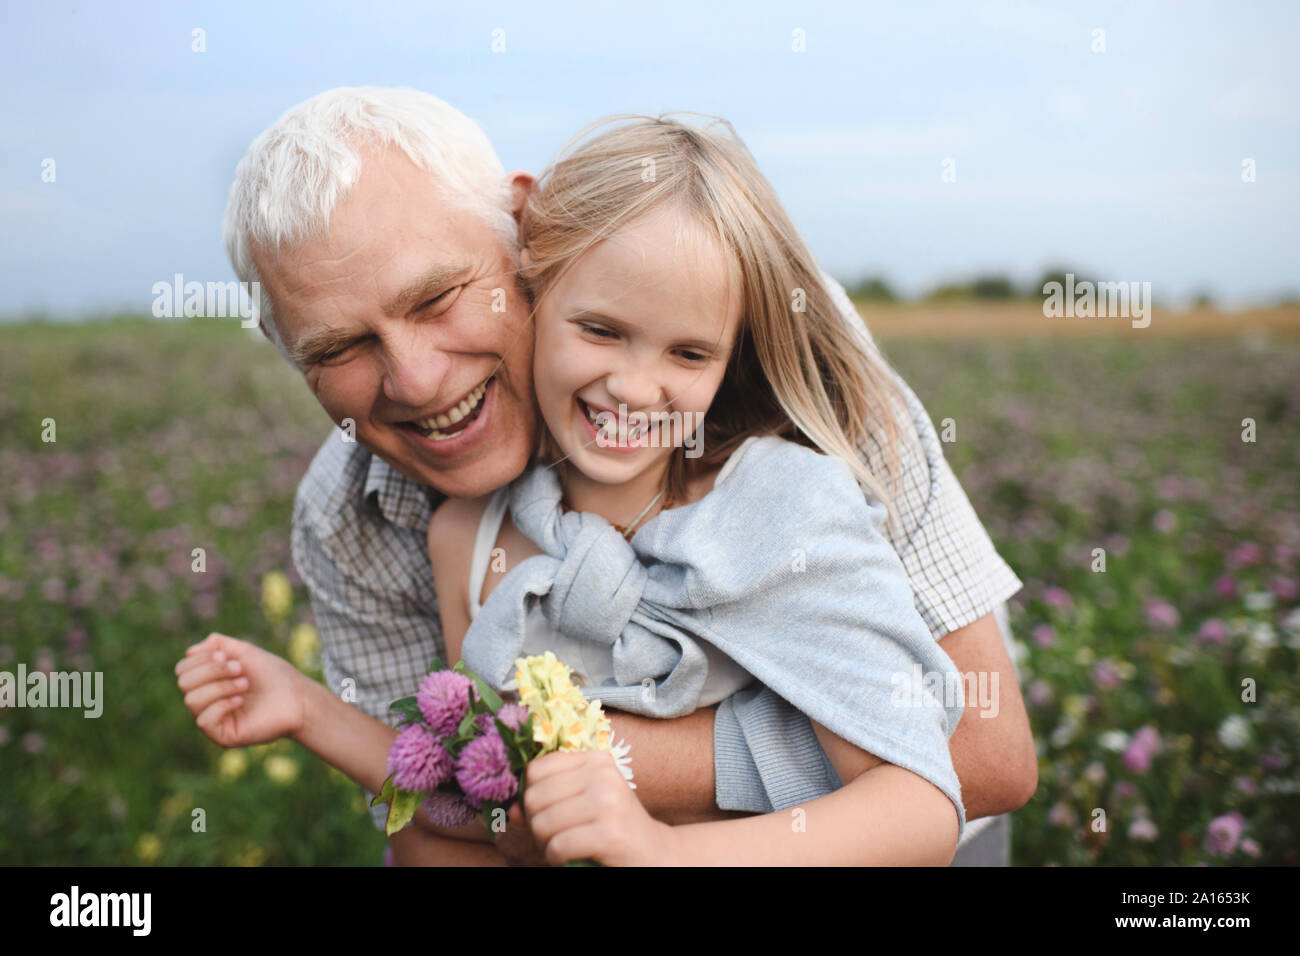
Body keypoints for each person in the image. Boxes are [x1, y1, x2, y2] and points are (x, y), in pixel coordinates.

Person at [179, 87, 1035, 866]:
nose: (416, 380)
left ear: (522, 230)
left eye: (437, 299)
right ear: (286, 351)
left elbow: (980, 760)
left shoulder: (799, 386)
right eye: (340, 347)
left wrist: (605, 779)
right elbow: (465, 816)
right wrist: (320, 716)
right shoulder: (395, 528)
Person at [428, 114, 966, 864]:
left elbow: (920, 807)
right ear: (531, 289)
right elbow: (499, 815)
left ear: (728, 360)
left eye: (688, 352)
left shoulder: (785, 512)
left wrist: (663, 851)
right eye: (601, 330)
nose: (635, 387)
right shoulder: (467, 535)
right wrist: (312, 715)